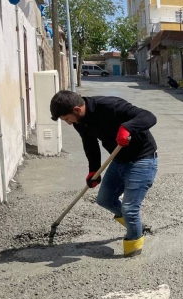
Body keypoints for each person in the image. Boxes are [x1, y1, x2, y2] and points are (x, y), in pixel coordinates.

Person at [50, 91, 158, 257]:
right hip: (118, 160)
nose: (69, 124)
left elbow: (149, 117)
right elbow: (90, 144)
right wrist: (94, 170)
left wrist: (127, 128)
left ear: (77, 109)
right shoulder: (80, 121)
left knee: (129, 209)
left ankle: (133, 250)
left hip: (142, 160)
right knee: (104, 200)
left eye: (67, 119)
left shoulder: (111, 106)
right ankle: (135, 224)